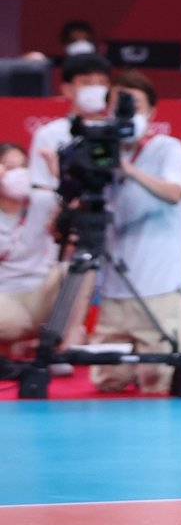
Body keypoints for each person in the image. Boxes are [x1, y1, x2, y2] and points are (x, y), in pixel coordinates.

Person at [91, 73, 181, 394]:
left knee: (156, 383)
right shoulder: (98, 153)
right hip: (113, 290)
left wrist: (127, 169)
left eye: (133, 105)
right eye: (116, 106)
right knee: (106, 382)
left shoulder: (167, 148)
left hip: (160, 287)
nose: (124, 113)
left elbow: (175, 193)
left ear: (152, 112)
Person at [0, 141, 66, 350]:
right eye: (9, 168)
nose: (18, 174)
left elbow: (77, 203)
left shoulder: (42, 200)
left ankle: (60, 343)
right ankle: (23, 341)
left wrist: (58, 177)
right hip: (5, 294)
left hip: (40, 290)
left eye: (23, 167)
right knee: (11, 323)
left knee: (77, 268)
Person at [27, 52, 114, 184]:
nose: (96, 89)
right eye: (87, 82)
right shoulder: (49, 133)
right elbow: (40, 185)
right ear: (67, 89)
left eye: (102, 83)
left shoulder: (117, 130)